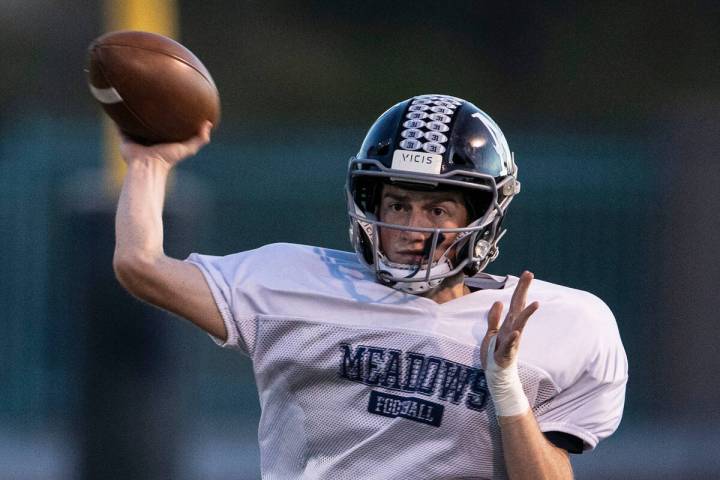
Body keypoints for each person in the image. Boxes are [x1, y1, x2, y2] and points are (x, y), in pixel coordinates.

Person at [113, 94, 627, 479]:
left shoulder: (556, 324)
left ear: (482, 218)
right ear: (371, 207)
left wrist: (505, 383)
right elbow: (142, 266)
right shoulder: (294, 285)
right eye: (398, 205)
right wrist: (148, 163)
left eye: (437, 210)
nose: (411, 228)